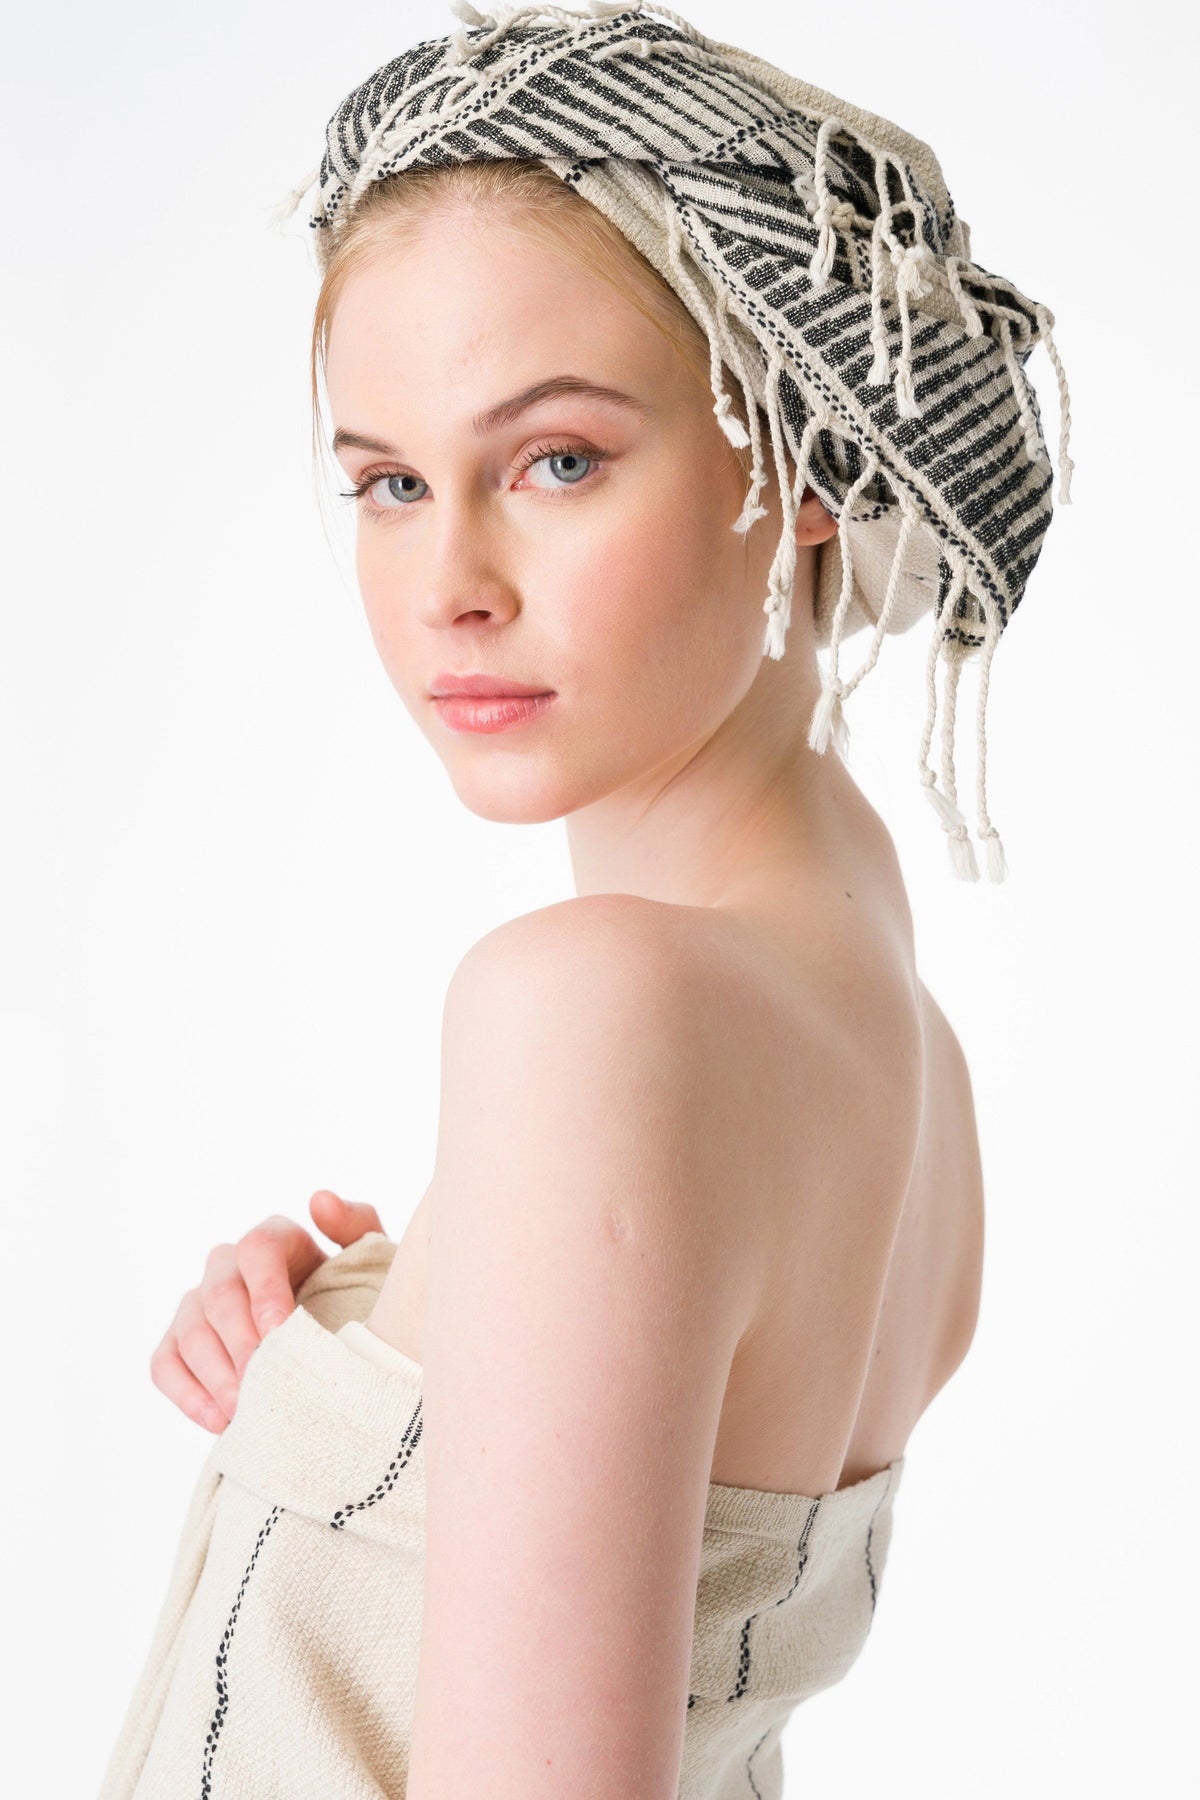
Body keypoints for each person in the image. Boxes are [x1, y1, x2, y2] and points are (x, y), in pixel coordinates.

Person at [100, 4, 1069, 1795]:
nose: (447, 583)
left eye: (557, 460)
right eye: (390, 483)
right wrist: (342, 1362)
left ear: (804, 459)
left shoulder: (595, 1006)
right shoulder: (903, 1064)